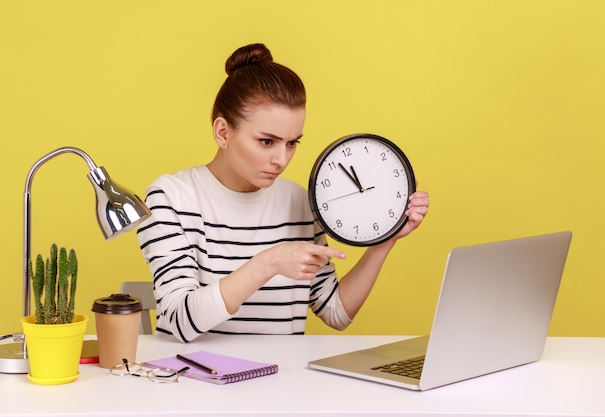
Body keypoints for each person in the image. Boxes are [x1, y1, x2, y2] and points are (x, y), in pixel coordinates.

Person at [137, 43, 430, 342]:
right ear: (223, 132)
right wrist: (270, 262)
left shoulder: (299, 203)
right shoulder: (170, 198)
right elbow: (179, 320)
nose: (282, 159)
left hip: (279, 383)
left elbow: (336, 313)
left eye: (292, 143)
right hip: (192, 380)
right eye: (267, 141)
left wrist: (387, 238)